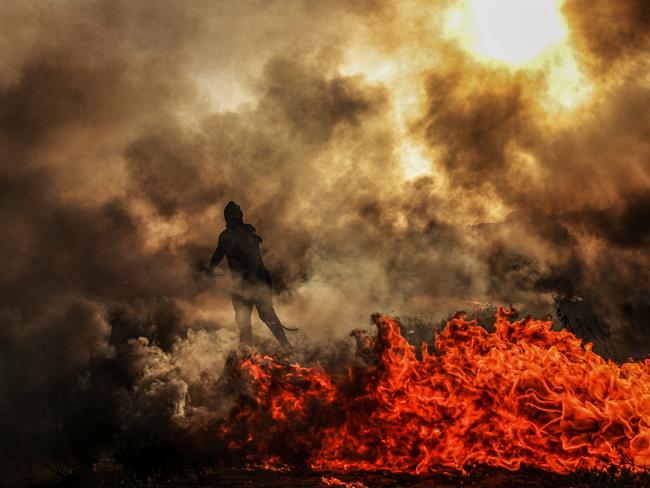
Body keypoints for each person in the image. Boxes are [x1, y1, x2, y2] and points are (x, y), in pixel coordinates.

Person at [203, 201, 293, 349]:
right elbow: (219, 253)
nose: (232, 220)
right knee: (243, 319)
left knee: (266, 314)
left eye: (234, 218)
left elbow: (253, 258)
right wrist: (211, 269)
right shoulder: (225, 236)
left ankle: (286, 346)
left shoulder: (248, 232)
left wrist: (250, 280)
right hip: (240, 284)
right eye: (230, 218)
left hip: (257, 280)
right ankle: (247, 351)